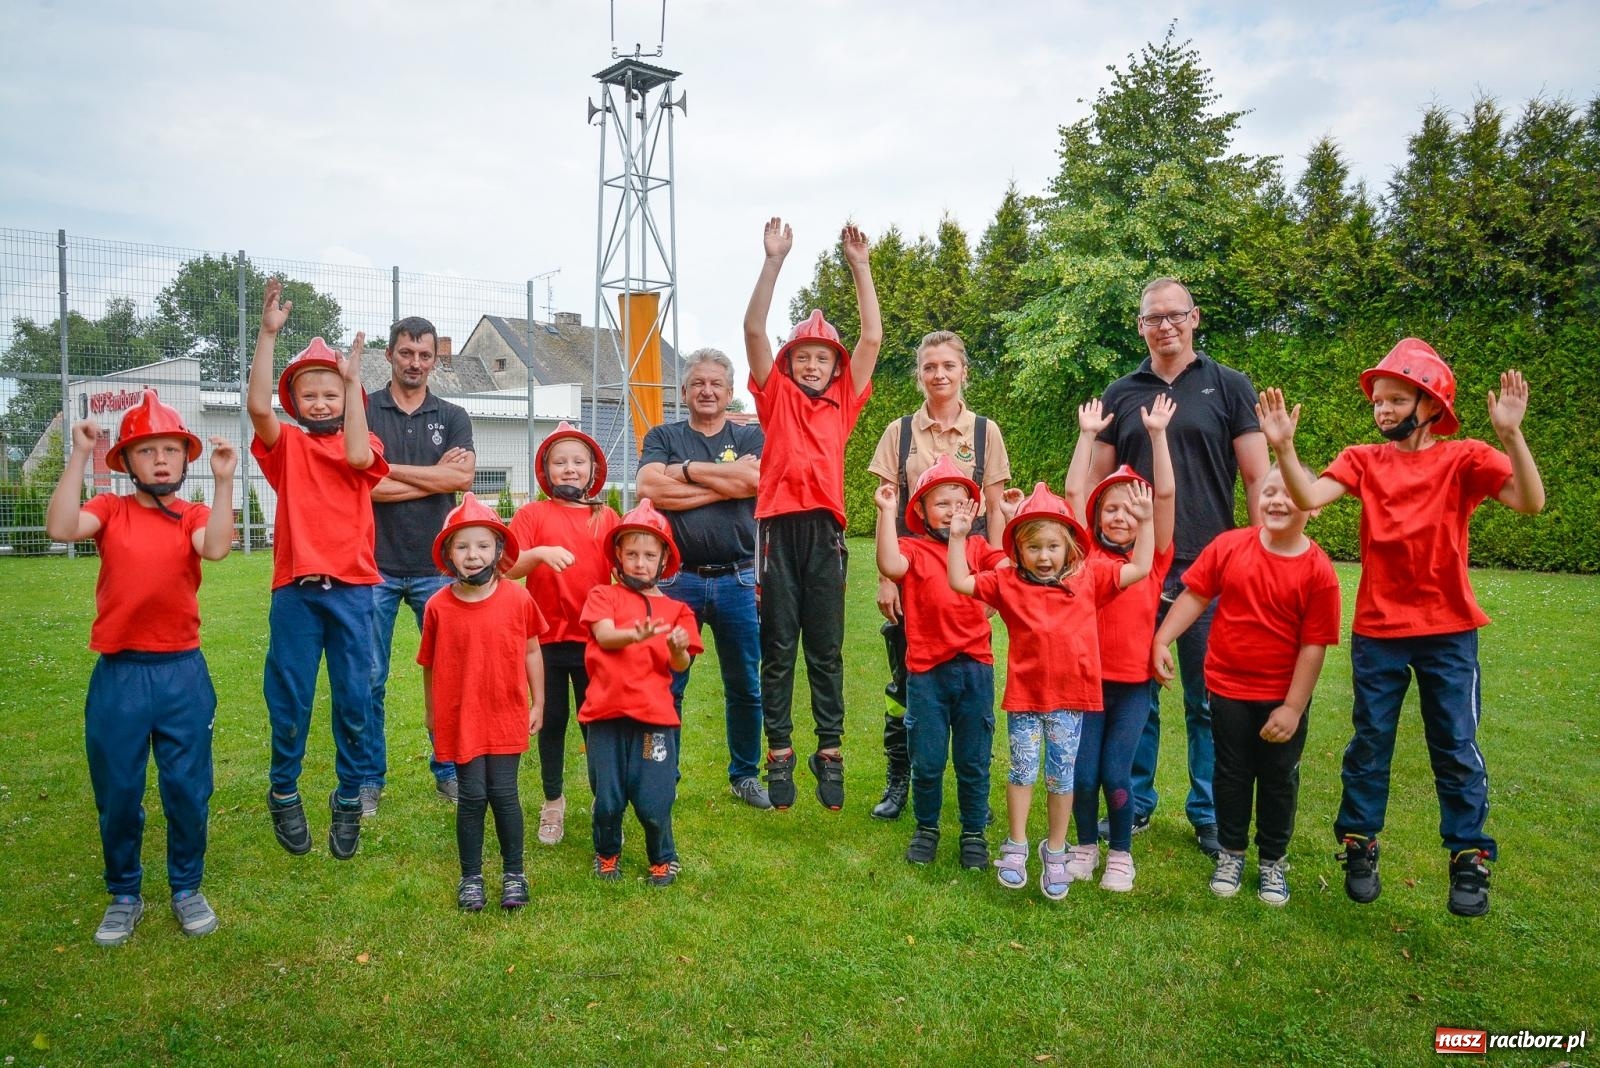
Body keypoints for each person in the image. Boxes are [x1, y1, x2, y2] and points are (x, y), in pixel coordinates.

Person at [1258, 339, 1545, 917]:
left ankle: (1468, 856)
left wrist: (1512, 435)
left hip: (1449, 631)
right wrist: (1284, 449)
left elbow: (1531, 502)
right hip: (1380, 631)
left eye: (1395, 399)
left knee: (1456, 745)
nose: (1382, 410)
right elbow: (1310, 494)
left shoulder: (1465, 457)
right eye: (1378, 402)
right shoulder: (1364, 460)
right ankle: (1359, 845)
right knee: (1370, 742)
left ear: (1431, 403)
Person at [45, 393, 237, 945]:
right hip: (120, 677)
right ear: (126, 462)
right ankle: (125, 892)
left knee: (187, 788)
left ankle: (186, 887)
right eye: (146, 450)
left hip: (182, 675)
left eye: (170, 450)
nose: (159, 460)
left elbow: (219, 547)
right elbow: (60, 528)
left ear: (185, 459)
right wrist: (80, 455)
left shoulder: (192, 517)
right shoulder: (111, 511)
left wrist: (225, 484)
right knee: (119, 789)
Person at [1086, 277, 1269, 858]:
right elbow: (1095, 484)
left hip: (1209, 569)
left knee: (1207, 697)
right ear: (1140, 326)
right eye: (1152, 318)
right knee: (1135, 693)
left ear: (1195, 318)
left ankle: (1208, 811)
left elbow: (1258, 478)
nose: (1164, 325)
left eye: (1174, 316)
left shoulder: (1229, 386)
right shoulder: (1121, 393)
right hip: (1136, 570)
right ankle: (1133, 803)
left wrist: (1256, 550)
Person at [948, 482, 1152, 899]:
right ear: (1019, 552)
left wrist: (1146, 522)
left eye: (1053, 547)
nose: (1044, 556)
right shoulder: (1007, 582)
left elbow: (1140, 568)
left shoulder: (1091, 577)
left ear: (1070, 547)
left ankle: (1056, 851)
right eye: (1034, 548)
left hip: (1071, 702)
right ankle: (1017, 845)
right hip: (1024, 700)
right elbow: (959, 580)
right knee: (1022, 771)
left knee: (1062, 778)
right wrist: (957, 537)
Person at [1151, 465, 1341, 906]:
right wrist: (1162, 638)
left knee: (1277, 779)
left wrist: (1293, 708)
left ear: (1312, 506)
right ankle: (1232, 853)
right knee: (1231, 775)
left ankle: (1273, 860)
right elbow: (1195, 594)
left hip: (1281, 698)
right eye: (1269, 491)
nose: (1276, 500)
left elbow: (1314, 647)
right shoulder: (1230, 546)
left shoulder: (1319, 572)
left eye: (1289, 493)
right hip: (1227, 689)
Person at [743, 217, 882, 811]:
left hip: (825, 533)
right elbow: (753, 328)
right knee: (778, 647)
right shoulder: (773, 398)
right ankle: (779, 753)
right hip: (776, 531)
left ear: (833, 366)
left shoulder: (843, 404)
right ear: (790, 361)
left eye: (822, 358)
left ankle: (829, 751)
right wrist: (774, 260)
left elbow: (872, 339)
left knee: (824, 648)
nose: (812, 365)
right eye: (803, 356)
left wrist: (860, 267)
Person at [249, 278, 389, 862]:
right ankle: (284, 790)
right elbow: (258, 406)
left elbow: (359, 456)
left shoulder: (363, 443)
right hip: (297, 593)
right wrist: (267, 335)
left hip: (355, 594)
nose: (322, 403)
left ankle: (349, 797)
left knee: (355, 699)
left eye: (331, 393)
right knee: (290, 698)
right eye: (310, 395)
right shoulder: (288, 448)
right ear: (295, 402)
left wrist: (354, 383)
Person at [866, 330, 1010, 820]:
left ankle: (975, 791)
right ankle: (900, 777)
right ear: (919, 375)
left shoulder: (986, 431)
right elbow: (884, 504)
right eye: (930, 367)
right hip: (913, 571)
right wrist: (889, 579)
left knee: (973, 686)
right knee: (905, 683)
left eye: (948, 365)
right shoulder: (899, 432)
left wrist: (995, 584)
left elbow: (995, 510)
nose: (939, 375)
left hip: (969, 572)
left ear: (964, 371)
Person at [636, 348, 767, 809]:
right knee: (666, 683)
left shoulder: (751, 436)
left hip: (738, 578)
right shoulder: (663, 435)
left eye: (716, 384)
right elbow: (650, 489)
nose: (707, 391)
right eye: (698, 383)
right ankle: (661, 773)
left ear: (729, 392)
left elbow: (755, 483)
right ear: (685, 391)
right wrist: (722, 482)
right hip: (676, 581)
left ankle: (745, 775)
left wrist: (687, 473)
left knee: (745, 685)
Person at [1061, 394, 1177, 891]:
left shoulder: (1152, 561)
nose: (1120, 518)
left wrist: (1157, 436)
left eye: (1130, 511)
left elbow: (1167, 496)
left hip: (1131, 687)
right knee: (1082, 775)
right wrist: (1087, 437)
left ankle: (1122, 855)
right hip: (1085, 684)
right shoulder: (1083, 555)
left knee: (1115, 773)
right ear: (1097, 516)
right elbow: (1071, 493)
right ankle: (1086, 845)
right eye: (1110, 509)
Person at [365, 315, 475, 814]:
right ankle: (369, 778)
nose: (415, 363)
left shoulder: (452, 415)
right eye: (406, 353)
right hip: (373, 566)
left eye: (424, 355)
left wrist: (387, 471)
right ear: (390, 354)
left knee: (451, 672)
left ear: (435, 359)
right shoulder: (362, 410)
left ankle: (449, 768)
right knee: (368, 677)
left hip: (437, 566)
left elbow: (465, 477)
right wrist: (437, 476)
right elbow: (360, 481)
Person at [873, 457, 1005, 869]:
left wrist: (1007, 515)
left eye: (959, 502)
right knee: (927, 761)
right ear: (922, 512)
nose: (951, 511)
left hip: (974, 670)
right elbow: (889, 565)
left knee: (973, 760)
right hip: (927, 673)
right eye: (941, 503)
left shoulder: (979, 549)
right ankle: (926, 829)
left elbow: (1007, 571)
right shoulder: (913, 548)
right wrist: (883, 513)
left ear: (973, 508)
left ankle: (972, 834)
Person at [418, 493, 545, 911]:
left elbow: (531, 652)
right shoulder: (437, 607)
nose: (473, 555)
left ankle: (514, 874)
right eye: (462, 546)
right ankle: (470, 877)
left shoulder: (518, 600)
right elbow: (430, 667)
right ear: (448, 554)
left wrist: (538, 702)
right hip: (463, 717)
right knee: (472, 795)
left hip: (507, 712)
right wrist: (432, 715)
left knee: (505, 793)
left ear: (499, 550)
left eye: (483, 545)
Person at [505, 422, 620, 846]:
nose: (569, 469)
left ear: (593, 470)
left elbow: (624, 573)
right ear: (545, 470)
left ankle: (603, 800)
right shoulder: (531, 515)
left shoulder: (605, 516)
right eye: (560, 462)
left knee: (597, 726)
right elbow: (508, 568)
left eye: (577, 462)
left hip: (594, 642)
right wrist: (535, 554)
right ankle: (553, 803)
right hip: (545, 643)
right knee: (551, 721)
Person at [578, 500, 701, 885]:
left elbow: (681, 666)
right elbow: (604, 635)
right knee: (609, 796)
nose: (640, 562)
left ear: (664, 558)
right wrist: (635, 633)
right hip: (606, 716)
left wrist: (677, 648)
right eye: (631, 553)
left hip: (654, 719)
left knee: (654, 797)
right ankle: (607, 852)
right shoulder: (603, 596)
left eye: (649, 554)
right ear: (618, 554)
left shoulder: (679, 610)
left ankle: (663, 856)